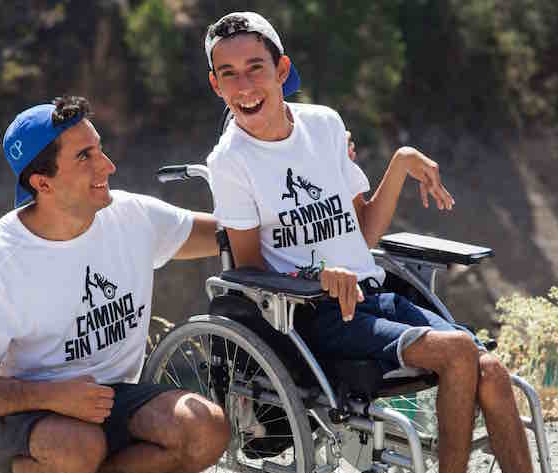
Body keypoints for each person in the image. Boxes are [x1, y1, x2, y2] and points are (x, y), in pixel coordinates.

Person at [204, 12, 532, 473]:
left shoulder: (325, 125)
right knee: (459, 352)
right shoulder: (230, 162)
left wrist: (399, 163)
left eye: (256, 67)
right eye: (229, 74)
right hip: (314, 315)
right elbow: (249, 272)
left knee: (493, 373)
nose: (244, 86)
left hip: (376, 296)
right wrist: (316, 277)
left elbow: (363, 232)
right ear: (216, 85)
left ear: (281, 71)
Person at [0, 96, 230, 473]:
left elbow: (229, 235)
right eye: (85, 156)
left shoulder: (132, 216)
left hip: (112, 399)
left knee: (206, 429)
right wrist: (53, 397)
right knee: (78, 447)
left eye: (100, 149)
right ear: (42, 183)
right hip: (20, 413)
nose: (108, 165)